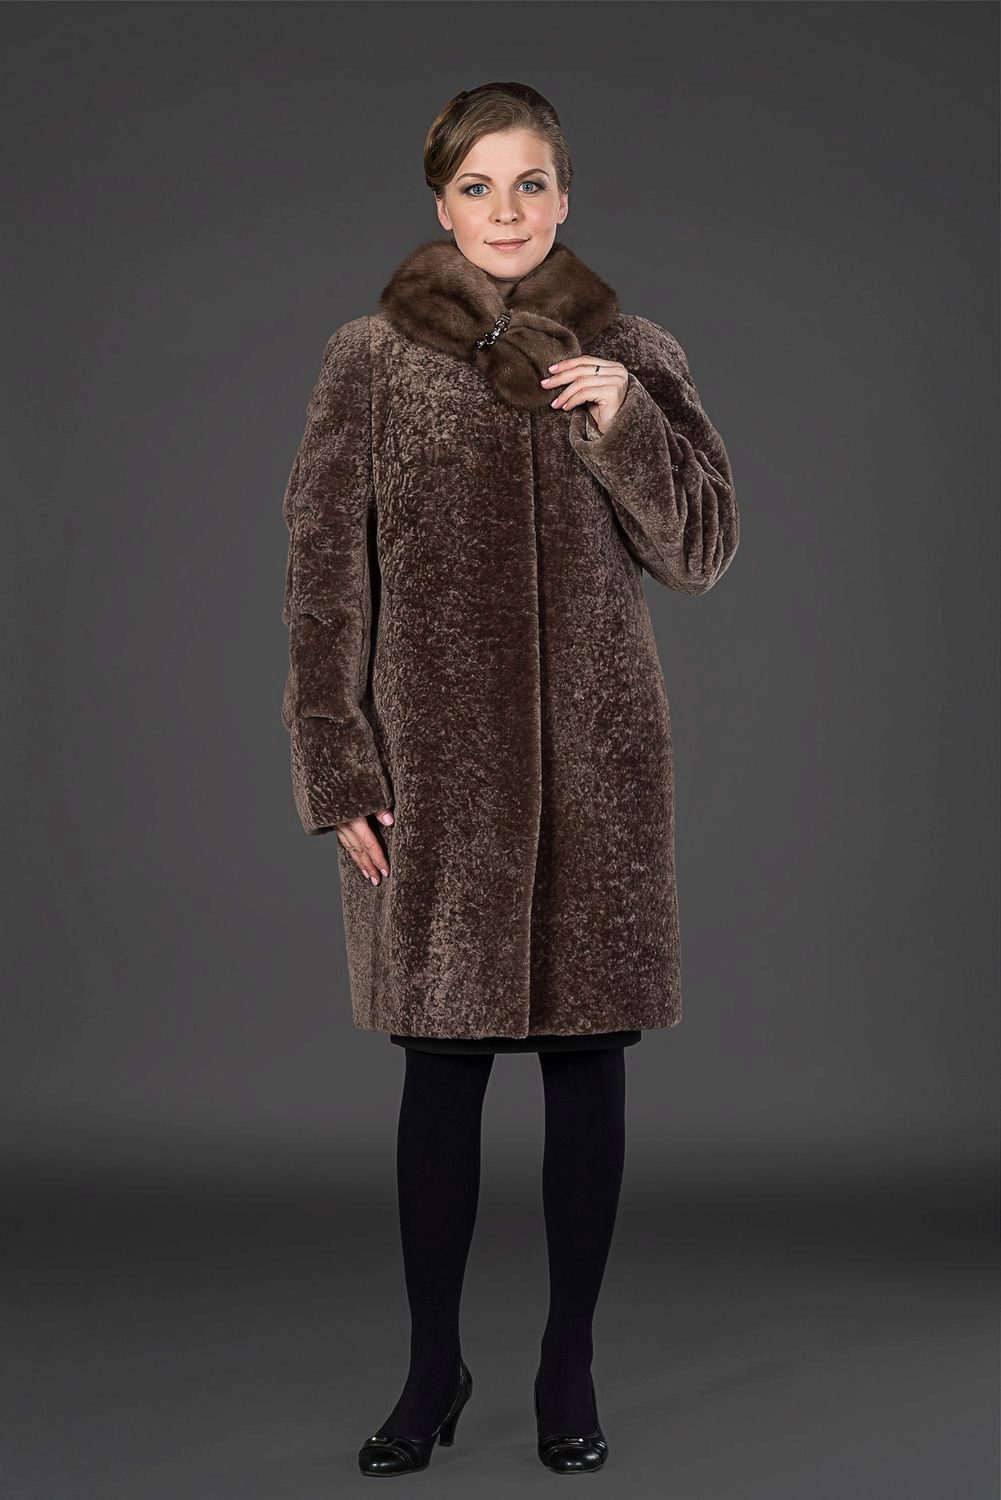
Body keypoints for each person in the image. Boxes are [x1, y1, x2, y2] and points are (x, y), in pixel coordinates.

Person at [279, 81, 740, 1477]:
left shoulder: (631, 351)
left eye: (530, 183)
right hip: (438, 772)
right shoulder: (367, 359)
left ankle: (567, 1362)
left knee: (590, 1062)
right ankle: (433, 1366)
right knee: (442, 1067)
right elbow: (322, 578)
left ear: (565, 196)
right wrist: (337, 764)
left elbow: (702, 550)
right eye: (477, 187)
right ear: (440, 202)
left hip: (600, 768)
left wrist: (624, 423)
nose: (505, 211)